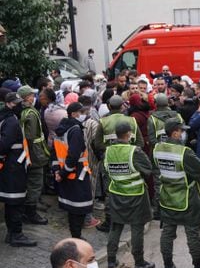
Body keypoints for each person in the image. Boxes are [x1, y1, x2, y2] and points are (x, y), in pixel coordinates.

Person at [153, 118, 200, 268]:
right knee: (192, 233)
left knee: (167, 232)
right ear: (175, 132)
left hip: (167, 196)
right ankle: (199, 267)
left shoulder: (157, 148)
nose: (183, 133)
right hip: (187, 196)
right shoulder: (184, 152)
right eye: (182, 130)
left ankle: (168, 265)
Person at [103, 121, 155, 268]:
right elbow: (148, 169)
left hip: (116, 193)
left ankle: (111, 260)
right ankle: (139, 263)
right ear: (129, 134)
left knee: (116, 226)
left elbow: (105, 171)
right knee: (137, 227)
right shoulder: (135, 151)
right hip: (135, 194)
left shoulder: (108, 151)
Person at [94, 95, 144, 232]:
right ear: (122, 106)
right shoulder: (132, 121)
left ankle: (109, 222)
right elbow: (140, 143)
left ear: (109, 106)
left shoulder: (103, 122)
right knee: (129, 187)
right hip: (129, 161)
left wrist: (109, 151)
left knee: (111, 190)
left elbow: (97, 144)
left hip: (109, 161)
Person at [52, 102, 94, 239]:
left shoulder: (61, 129)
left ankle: (75, 235)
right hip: (76, 174)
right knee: (80, 207)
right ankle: (77, 237)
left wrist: (57, 171)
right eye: (82, 112)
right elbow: (73, 155)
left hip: (66, 174)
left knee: (72, 208)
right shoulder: (75, 130)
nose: (84, 115)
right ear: (74, 113)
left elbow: (55, 153)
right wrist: (63, 173)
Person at [0, 93, 37, 247]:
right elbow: (3, 145)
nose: (19, 105)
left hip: (11, 166)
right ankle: (16, 234)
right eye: (16, 103)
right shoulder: (11, 121)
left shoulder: (6, 118)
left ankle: (12, 233)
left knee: (11, 201)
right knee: (16, 201)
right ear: (9, 104)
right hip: (13, 168)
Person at [17, 85, 49, 225]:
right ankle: (31, 213)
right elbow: (30, 136)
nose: (33, 97)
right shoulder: (31, 113)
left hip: (28, 154)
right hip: (35, 154)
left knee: (29, 183)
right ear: (27, 97)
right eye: (31, 95)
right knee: (35, 183)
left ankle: (27, 211)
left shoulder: (22, 111)